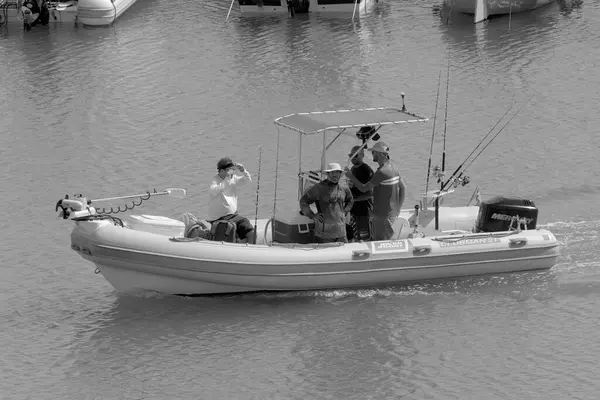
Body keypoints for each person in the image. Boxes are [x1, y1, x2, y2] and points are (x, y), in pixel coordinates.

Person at [344, 141, 406, 241]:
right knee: (381, 241)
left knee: (380, 243)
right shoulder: (394, 169)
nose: (372, 154)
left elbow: (364, 188)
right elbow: (403, 188)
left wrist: (351, 176)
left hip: (382, 217)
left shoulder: (381, 172)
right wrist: (398, 208)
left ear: (381, 154)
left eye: (374, 152)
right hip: (389, 215)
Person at [299, 162, 354, 243]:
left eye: (337, 172)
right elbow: (303, 201)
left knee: (342, 253)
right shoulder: (318, 188)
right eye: (332, 172)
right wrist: (313, 216)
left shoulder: (344, 188)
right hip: (324, 233)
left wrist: (345, 211)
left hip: (341, 232)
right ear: (328, 174)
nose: (335, 175)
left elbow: (350, 200)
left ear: (340, 174)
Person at [207, 157, 256, 244]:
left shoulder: (233, 178)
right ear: (222, 171)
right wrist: (227, 179)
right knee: (241, 223)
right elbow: (213, 191)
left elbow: (247, 180)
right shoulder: (215, 180)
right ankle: (238, 243)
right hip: (219, 217)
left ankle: (248, 245)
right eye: (229, 170)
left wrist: (243, 171)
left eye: (233, 170)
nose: (232, 172)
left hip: (232, 215)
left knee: (248, 228)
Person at [346, 144, 374, 241]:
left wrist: (354, 199)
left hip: (364, 211)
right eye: (351, 156)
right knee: (356, 236)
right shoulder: (353, 169)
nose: (352, 158)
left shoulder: (366, 170)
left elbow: (370, 193)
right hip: (354, 210)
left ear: (362, 155)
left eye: (355, 156)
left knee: (364, 237)